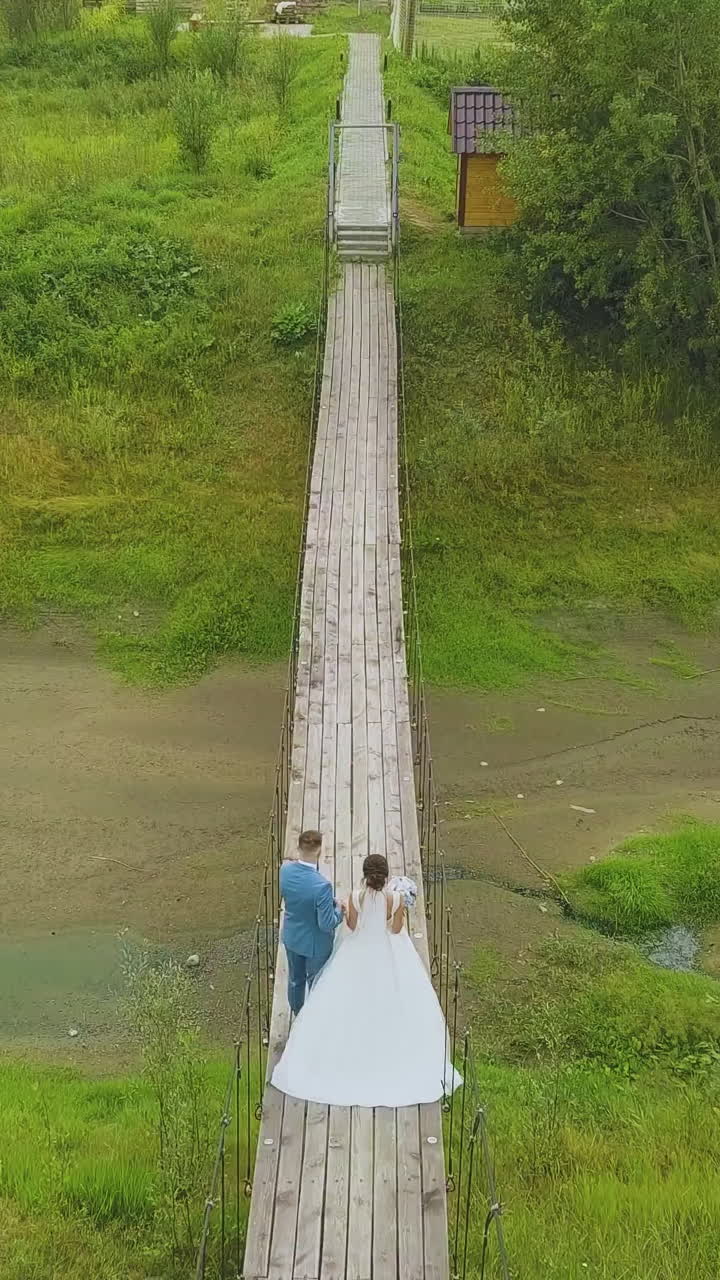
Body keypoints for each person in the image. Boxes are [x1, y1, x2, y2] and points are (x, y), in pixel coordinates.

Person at [272, 853, 462, 1108]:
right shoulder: (395, 899)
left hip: (357, 951)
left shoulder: (355, 896)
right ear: (385, 877)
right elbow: (395, 930)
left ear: (365, 874)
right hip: (385, 952)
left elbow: (351, 926)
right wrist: (398, 911)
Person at [280, 830, 344, 1016]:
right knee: (316, 982)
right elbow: (327, 923)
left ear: (298, 848)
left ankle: (298, 1013)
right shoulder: (322, 886)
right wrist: (339, 910)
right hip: (316, 944)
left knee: (295, 980)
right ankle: (314, 1019)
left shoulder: (285, 870)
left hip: (292, 936)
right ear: (319, 851)